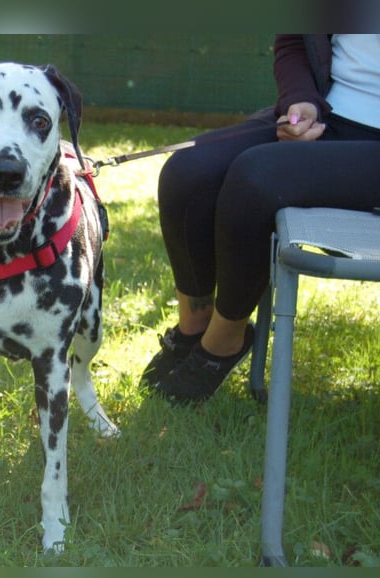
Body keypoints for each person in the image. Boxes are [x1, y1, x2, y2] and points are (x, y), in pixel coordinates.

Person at [141, 34, 380, 405]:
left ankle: (223, 342)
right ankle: (194, 327)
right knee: (186, 174)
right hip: (331, 116)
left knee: (256, 178)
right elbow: (296, 42)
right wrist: (301, 101)